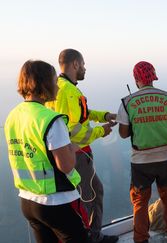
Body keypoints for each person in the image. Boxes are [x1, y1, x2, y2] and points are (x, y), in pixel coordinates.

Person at [4, 60, 89, 242]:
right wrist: (72, 148)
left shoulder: (13, 115)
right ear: (43, 83)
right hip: (56, 201)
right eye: (54, 80)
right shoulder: (52, 120)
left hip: (28, 201)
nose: (57, 86)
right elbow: (66, 166)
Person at [45, 49, 118, 243]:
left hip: (66, 154)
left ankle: (90, 236)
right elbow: (72, 128)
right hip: (77, 154)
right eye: (83, 64)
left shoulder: (59, 87)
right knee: (88, 197)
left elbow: (80, 114)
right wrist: (101, 131)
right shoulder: (69, 91)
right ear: (75, 64)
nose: (85, 68)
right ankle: (88, 237)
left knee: (89, 195)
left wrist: (103, 116)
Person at [117, 61, 167, 243]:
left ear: (135, 79)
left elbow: (123, 134)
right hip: (166, 159)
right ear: (153, 77)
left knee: (140, 202)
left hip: (140, 162)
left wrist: (134, 124)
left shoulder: (127, 102)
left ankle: (141, 239)